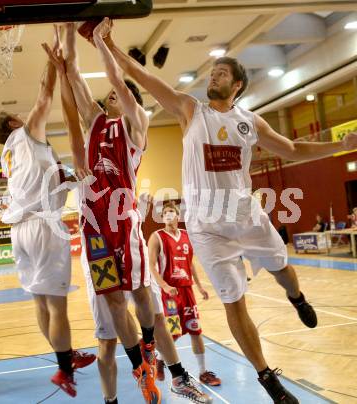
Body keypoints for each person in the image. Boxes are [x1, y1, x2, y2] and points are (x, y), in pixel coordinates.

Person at [100, 18, 357, 403]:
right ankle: (267, 378)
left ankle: (298, 298)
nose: (213, 75)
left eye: (221, 72)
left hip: (247, 217)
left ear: (236, 85)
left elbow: (293, 149)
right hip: (206, 228)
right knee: (233, 301)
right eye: (213, 71)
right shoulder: (189, 110)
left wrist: (339, 146)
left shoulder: (249, 122)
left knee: (283, 271)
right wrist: (110, 45)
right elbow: (141, 75)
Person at [0, 26, 95, 398]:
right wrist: (53, 64)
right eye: (20, 114)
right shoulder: (27, 134)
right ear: (14, 124)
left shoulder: (8, 154)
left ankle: (63, 355)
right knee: (57, 304)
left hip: (19, 230)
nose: (26, 115)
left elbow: (46, 181)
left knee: (38, 299)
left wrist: (68, 179)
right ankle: (65, 370)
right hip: (44, 228)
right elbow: (45, 94)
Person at [56, 20, 161, 403]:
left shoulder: (137, 125)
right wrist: (63, 31)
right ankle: (140, 369)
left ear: (124, 99)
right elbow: (74, 74)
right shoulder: (96, 121)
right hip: (94, 228)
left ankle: (149, 343)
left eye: (114, 96)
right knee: (115, 299)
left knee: (140, 294)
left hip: (124, 222)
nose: (107, 98)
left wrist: (100, 41)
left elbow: (119, 82)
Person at [148, 202, 221, 387]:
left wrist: (200, 286)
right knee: (173, 333)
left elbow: (190, 264)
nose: (168, 214)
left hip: (187, 292)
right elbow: (151, 265)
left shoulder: (187, 236)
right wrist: (164, 286)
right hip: (170, 293)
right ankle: (159, 359)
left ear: (178, 215)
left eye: (171, 211)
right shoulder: (157, 237)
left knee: (196, 330)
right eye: (165, 212)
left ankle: (203, 372)